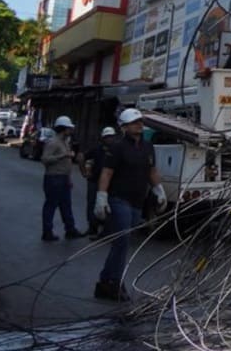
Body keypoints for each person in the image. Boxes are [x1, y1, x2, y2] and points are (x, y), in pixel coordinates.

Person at [94, 108, 167, 302]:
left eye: (140, 122)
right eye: (134, 122)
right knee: (123, 240)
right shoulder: (117, 147)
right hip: (119, 199)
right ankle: (115, 284)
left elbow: (152, 170)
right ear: (124, 127)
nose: (139, 125)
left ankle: (104, 281)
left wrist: (158, 189)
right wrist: (101, 196)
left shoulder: (147, 147)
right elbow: (107, 173)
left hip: (137, 201)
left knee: (121, 243)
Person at [41, 116, 86, 241]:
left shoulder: (65, 142)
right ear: (63, 129)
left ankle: (70, 229)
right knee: (51, 205)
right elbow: (45, 159)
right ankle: (47, 232)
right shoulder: (53, 142)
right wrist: (62, 155)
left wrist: (69, 178)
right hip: (53, 178)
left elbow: (67, 163)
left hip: (64, 178)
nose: (71, 130)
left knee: (66, 205)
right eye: (69, 128)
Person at [80, 126, 118, 238]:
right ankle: (92, 228)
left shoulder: (116, 150)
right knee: (92, 204)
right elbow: (81, 157)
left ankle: (105, 230)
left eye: (111, 137)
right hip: (94, 181)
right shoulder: (97, 149)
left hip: (109, 183)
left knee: (108, 205)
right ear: (103, 138)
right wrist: (84, 172)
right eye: (107, 137)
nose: (109, 139)